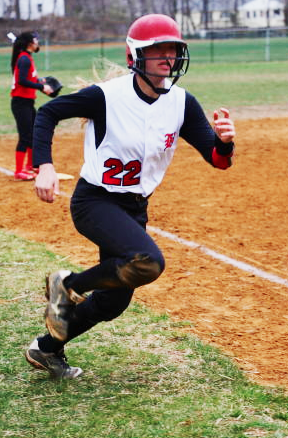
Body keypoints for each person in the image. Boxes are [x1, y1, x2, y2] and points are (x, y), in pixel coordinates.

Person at [25, 14, 235, 379]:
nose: (167, 60)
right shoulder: (106, 97)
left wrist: (225, 142)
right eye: (157, 51)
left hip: (134, 207)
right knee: (148, 262)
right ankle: (68, 285)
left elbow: (217, 160)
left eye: (172, 51)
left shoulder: (182, 103)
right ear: (133, 56)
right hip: (95, 202)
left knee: (112, 302)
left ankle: (46, 348)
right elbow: (47, 114)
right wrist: (43, 165)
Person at [10, 31, 53, 181]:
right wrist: (41, 87)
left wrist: (40, 81)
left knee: (33, 133)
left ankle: (30, 166)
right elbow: (21, 80)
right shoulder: (24, 59)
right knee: (25, 136)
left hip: (27, 102)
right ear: (29, 43)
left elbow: (28, 77)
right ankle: (18, 171)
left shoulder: (27, 58)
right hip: (20, 102)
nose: (37, 43)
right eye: (35, 40)